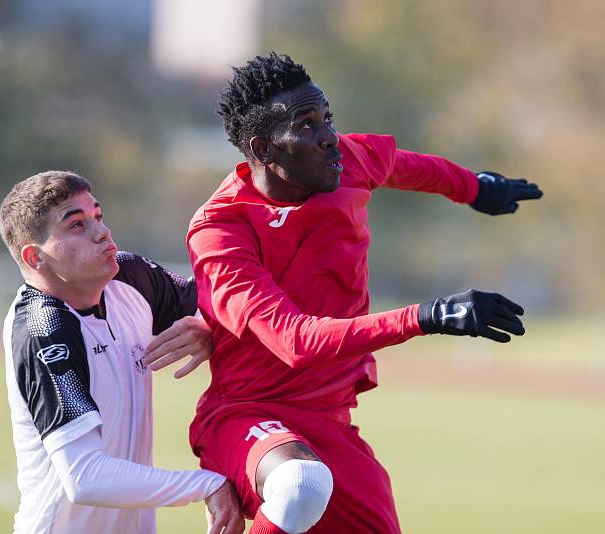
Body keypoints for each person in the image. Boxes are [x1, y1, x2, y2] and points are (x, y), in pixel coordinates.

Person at [182, 53, 544, 534]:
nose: (330, 136)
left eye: (327, 118)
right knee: (299, 485)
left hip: (331, 422)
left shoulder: (344, 161)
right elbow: (297, 341)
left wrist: (475, 188)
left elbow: (405, 165)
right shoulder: (220, 229)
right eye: (306, 125)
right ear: (264, 148)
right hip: (247, 418)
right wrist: (426, 316)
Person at [0, 171, 244, 534]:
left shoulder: (128, 276)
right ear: (35, 257)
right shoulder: (43, 328)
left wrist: (211, 328)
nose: (102, 232)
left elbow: (223, 307)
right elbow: (85, 477)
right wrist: (207, 484)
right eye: (77, 225)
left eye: (98, 216)